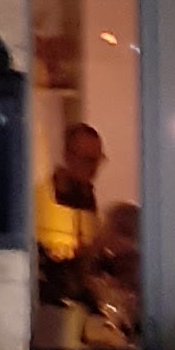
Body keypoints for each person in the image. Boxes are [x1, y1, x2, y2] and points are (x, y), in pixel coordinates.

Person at [36, 121, 106, 296]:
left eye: (98, 160)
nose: (94, 168)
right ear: (68, 156)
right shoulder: (39, 201)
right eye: (88, 160)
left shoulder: (89, 200)